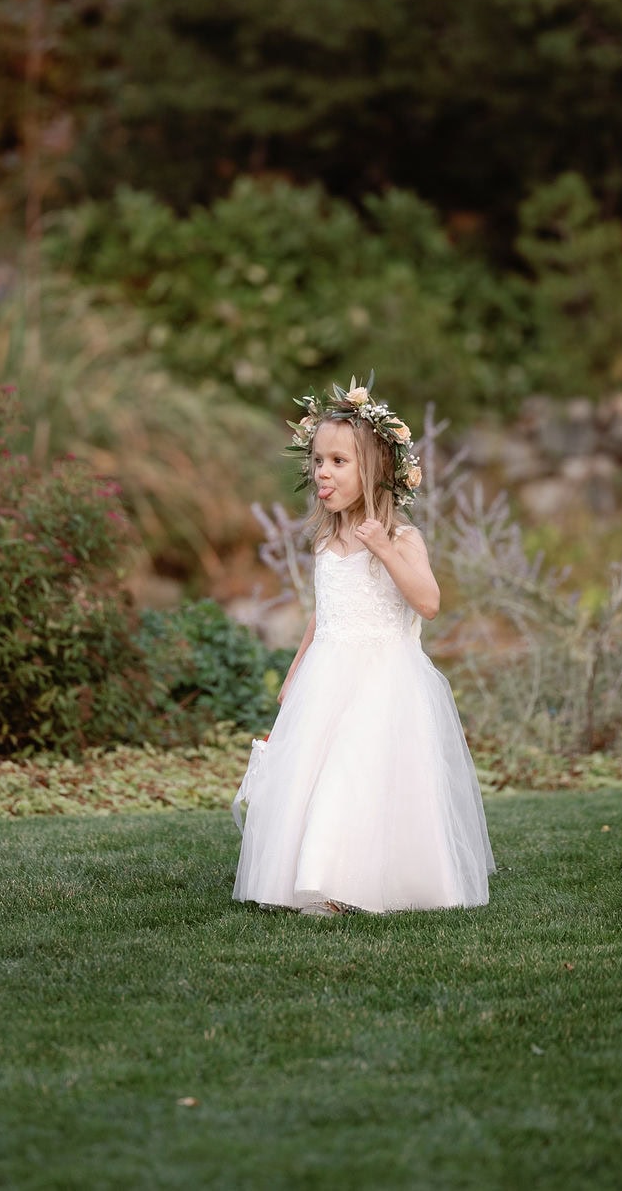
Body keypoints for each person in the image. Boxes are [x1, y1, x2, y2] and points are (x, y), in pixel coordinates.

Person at [232, 375, 495, 916]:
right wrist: (295, 672)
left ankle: (357, 883)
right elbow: (322, 612)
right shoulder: (326, 540)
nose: (322, 473)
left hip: (384, 677)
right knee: (318, 773)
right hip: (328, 673)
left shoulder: (402, 538)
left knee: (358, 773)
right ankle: (313, 878)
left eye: (338, 461)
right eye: (317, 462)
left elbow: (428, 602)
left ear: (373, 472)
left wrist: (385, 550)